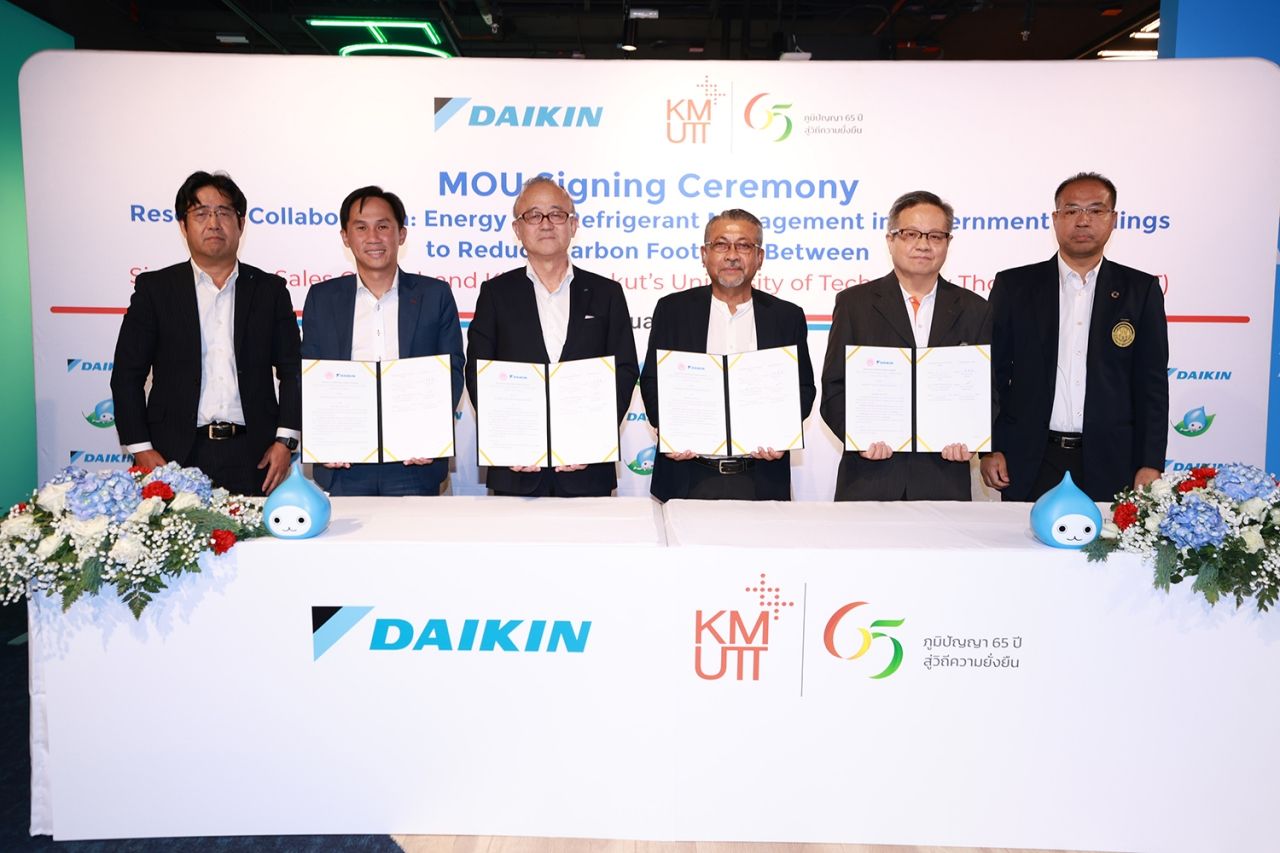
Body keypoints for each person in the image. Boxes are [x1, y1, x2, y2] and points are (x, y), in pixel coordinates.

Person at [980, 171, 1168, 502]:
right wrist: (989, 448)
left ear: (1113, 219)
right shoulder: (1015, 286)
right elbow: (992, 374)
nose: (1083, 220)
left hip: (1113, 460)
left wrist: (1150, 462)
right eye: (1071, 210)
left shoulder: (1140, 290)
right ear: (1055, 219)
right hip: (1030, 459)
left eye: (1095, 210)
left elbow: (1151, 385)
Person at [110, 170, 301, 496]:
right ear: (183, 226)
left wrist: (286, 441)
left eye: (223, 212)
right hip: (172, 457)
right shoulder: (155, 290)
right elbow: (127, 375)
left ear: (241, 223)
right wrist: (140, 448)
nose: (213, 223)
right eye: (201, 214)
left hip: (256, 457)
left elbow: (294, 371)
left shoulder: (270, 290)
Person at [465, 176, 638, 497]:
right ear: (517, 229)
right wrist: (508, 441)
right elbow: (478, 372)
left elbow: (624, 371)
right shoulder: (495, 293)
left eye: (556, 214)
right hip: (517, 469)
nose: (546, 223)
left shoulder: (607, 293)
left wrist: (592, 441)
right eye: (533, 215)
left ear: (573, 225)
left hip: (587, 469)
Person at [820, 190, 991, 501]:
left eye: (935, 236)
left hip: (943, 479)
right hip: (869, 478)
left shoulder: (975, 309)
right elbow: (834, 387)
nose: (923, 244)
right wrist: (858, 437)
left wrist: (972, 438)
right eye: (911, 234)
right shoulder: (854, 304)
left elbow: (989, 390)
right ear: (891, 240)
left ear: (948, 242)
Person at [640, 208, 815, 501]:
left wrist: (782, 432)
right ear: (704, 254)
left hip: (761, 478)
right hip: (686, 476)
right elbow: (652, 381)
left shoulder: (786, 316)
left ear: (759, 257)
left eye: (744, 246)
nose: (732, 255)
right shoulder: (672, 310)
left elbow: (803, 388)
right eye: (721, 245)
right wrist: (672, 430)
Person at [301, 186, 464, 496]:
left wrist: (430, 432)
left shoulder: (435, 295)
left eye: (383, 226)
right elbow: (309, 373)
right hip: (345, 462)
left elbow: (452, 368)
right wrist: (324, 437)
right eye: (361, 227)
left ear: (401, 234)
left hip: (413, 462)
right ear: (345, 237)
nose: (373, 237)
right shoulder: (322, 298)